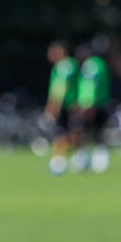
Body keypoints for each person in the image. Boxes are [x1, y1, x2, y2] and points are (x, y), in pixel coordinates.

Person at [42, 40, 79, 175]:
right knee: (68, 132)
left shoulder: (65, 66)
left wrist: (54, 105)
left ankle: (60, 162)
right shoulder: (65, 66)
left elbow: (62, 87)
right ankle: (73, 159)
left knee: (61, 132)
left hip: (66, 105)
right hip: (66, 104)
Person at [75, 42, 112, 172]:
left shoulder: (92, 65)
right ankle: (93, 160)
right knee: (95, 133)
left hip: (92, 104)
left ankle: (92, 161)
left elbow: (91, 86)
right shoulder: (98, 64)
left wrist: (89, 104)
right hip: (95, 103)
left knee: (88, 132)